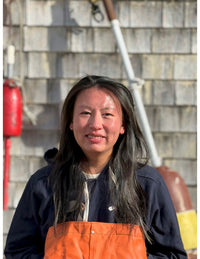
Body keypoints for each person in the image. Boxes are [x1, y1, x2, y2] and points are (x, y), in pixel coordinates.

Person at [4, 75, 187, 258]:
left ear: (123, 125)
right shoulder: (44, 184)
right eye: (85, 113)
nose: (95, 124)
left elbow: (173, 255)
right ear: (71, 122)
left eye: (107, 114)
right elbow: (17, 251)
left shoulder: (147, 185)